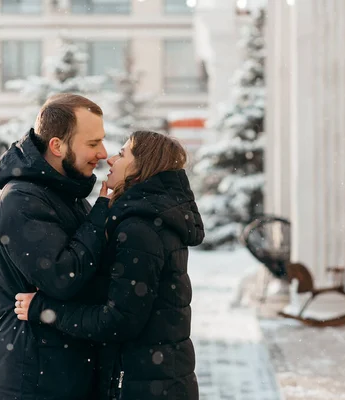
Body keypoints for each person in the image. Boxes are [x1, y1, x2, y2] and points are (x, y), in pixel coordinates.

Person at [14, 130, 205, 400]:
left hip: (144, 388)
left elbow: (118, 321)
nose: (111, 159)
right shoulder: (151, 219)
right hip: (158, 381)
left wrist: (44, 309)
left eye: (124, 153)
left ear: (142, 167)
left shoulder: (140, 229)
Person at [0, 93, 111, 400]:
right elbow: (62, 277)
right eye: (93, 144)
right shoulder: (21, 200)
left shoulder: (65, 194)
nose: (104, 153)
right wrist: (102, 211)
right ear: (57, 146)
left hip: (61, 372)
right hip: (33, 379)